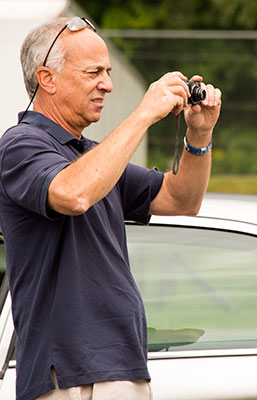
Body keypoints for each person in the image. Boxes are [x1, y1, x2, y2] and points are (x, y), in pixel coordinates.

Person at [0, 16, 221, 400]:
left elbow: (183, 199)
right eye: (93, 72)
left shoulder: (92, 155)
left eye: (108, 70)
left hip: (121, 364)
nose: (107, 83)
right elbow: (73, 194)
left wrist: (199, 134)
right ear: (47, 79)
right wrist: (143, 113)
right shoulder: (21, 146)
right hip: (67, 373)